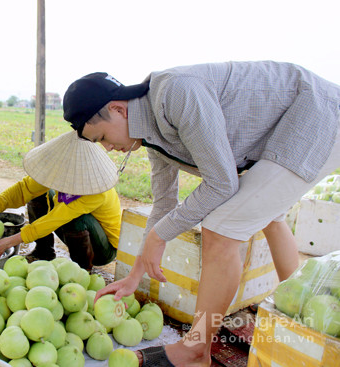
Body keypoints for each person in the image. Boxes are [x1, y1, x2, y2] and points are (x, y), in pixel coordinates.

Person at [62, 61, 340, 366]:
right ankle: (306, 317)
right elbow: (164, 204)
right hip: (295, 125)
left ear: (118, 109)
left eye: (101, 137)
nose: (108, 148)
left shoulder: (175, 93)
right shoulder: (153, 138)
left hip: (314, 113)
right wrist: (135, 274)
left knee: (221, 228)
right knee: (267, 215)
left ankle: (196, 349)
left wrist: (160, 234)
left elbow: (222, 183)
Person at [0, 131, 122, 271]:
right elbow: (24, 189)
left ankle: (81, 270)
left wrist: (5, 243)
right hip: (74, 230)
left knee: (76, 218)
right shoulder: (60, 171)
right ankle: (43, 253)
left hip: (102, 249)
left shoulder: (96, 190)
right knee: (39, 194)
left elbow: (54, 219)